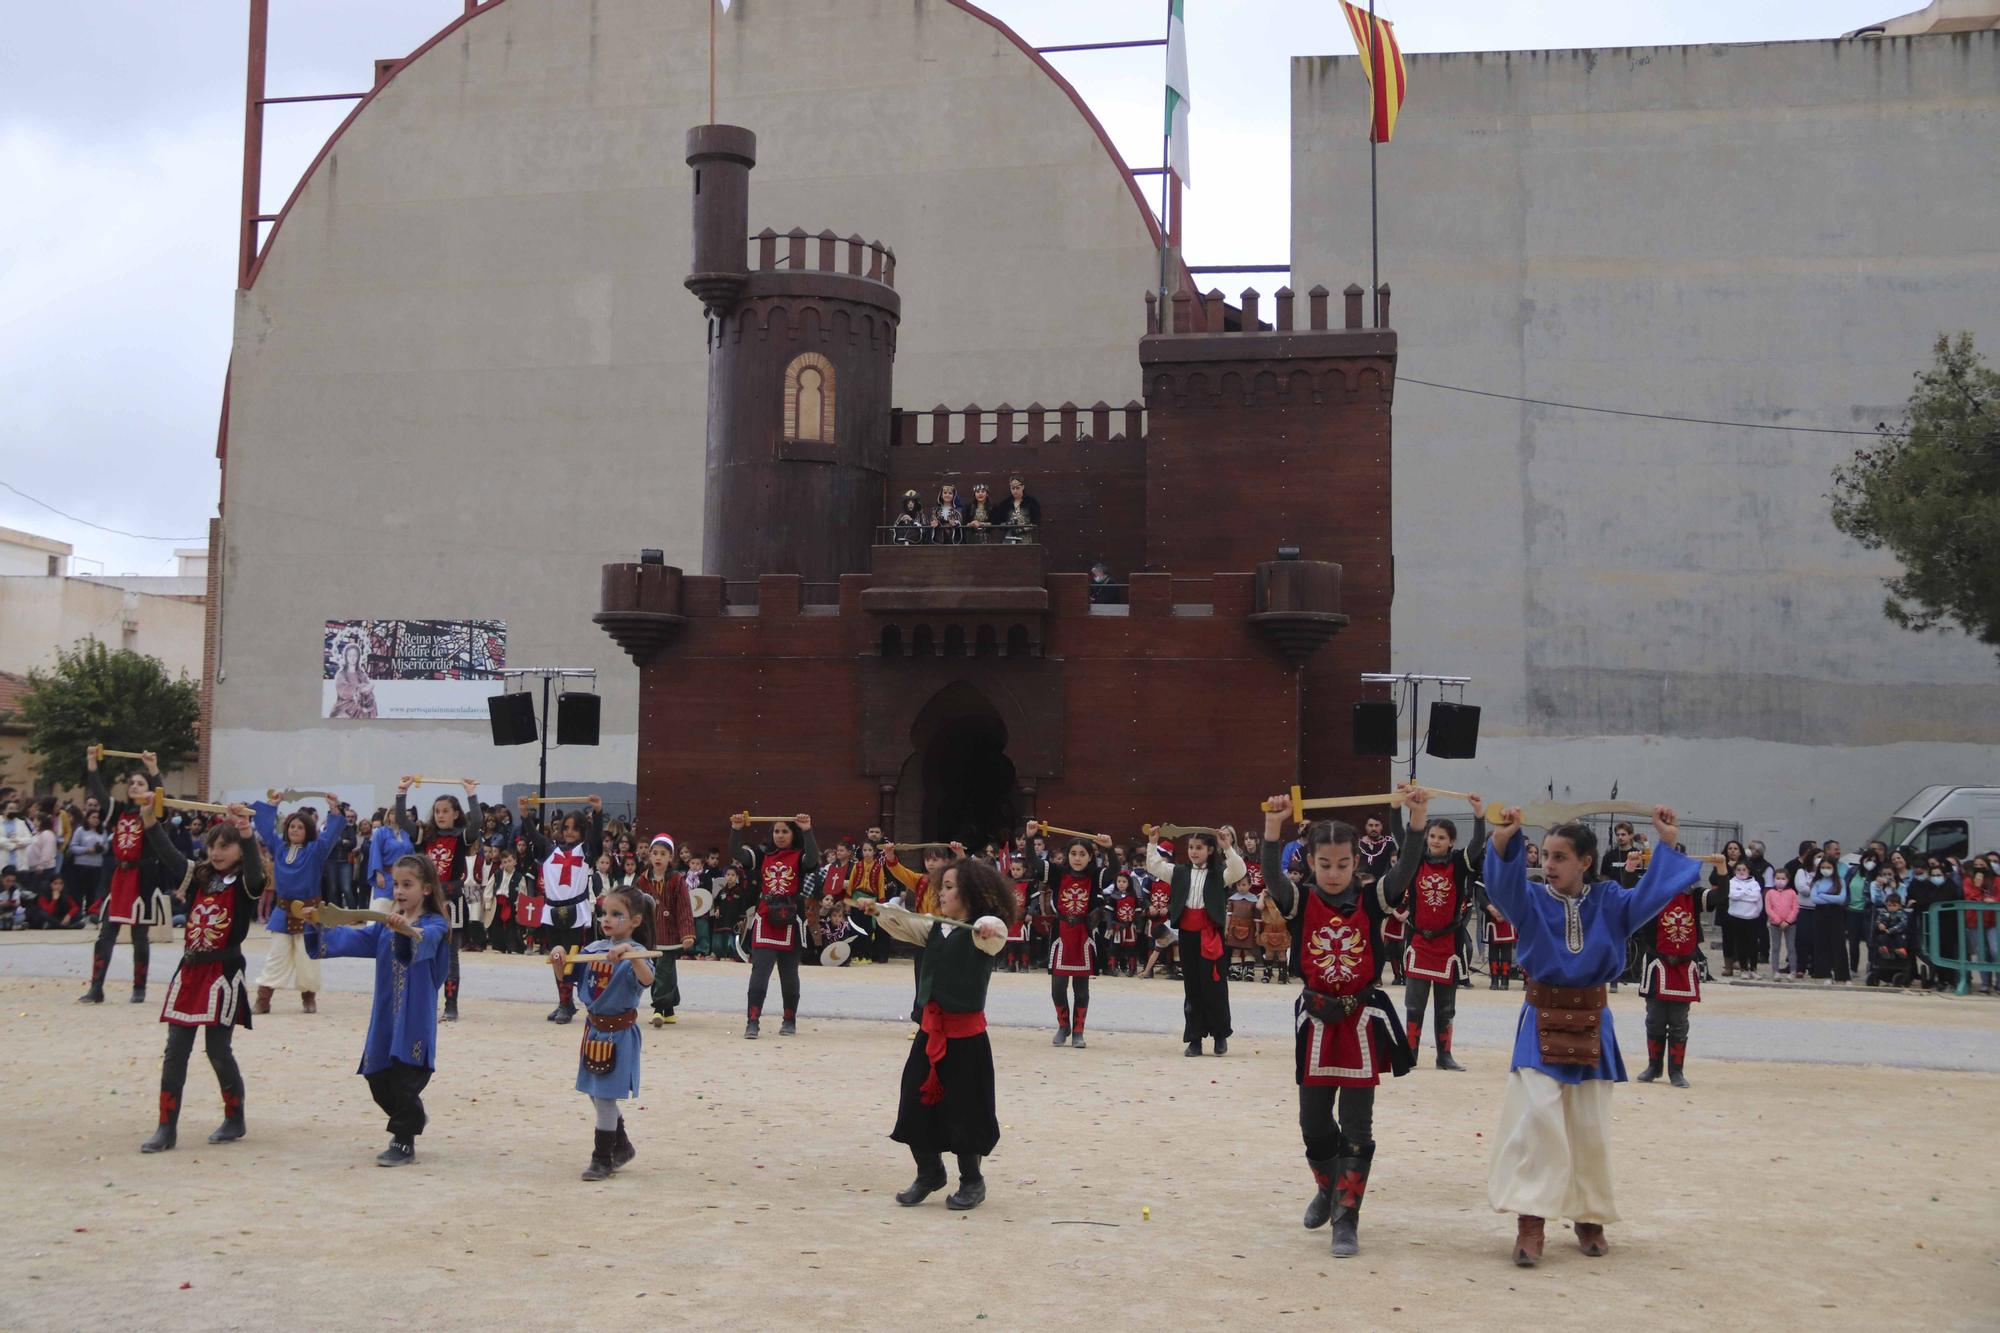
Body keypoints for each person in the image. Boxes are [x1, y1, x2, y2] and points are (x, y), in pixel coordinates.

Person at [1482, 801, 1699, 1268]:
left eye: (1560, 856)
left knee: (1588, 1124)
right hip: (1540, 1018)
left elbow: (1654, 894)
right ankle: (1532, 1219)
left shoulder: (1612, 901)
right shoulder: (1531, 899)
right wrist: (1504, 837)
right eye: (1543, 855)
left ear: (1585, 861)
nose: (1549, 864)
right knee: (1537, 1117)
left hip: (1592, 1022)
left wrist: (1666, 841)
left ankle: (1588, 1214)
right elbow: (1501, 884)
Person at [1260, 791, 1414, 1258]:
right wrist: (1273, 826)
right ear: (1309, 862)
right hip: (1316, 1021)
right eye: (1324, 864)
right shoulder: (1299, 901)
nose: (1333, 872)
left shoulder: (1372, 900)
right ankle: (1327, 1188)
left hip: (1359, 1022)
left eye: (1342, 864)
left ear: (1353, 864)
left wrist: (1418, 818)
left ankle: (1347, 1218)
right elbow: (1269, 873)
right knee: (1313, 1122)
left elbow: (1406, 867)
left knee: (1356, 1127)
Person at [858, 856, 1014, 1212]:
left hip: (967, 1040)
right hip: (929, 1034)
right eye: (940, 886)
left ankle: (972, 1182)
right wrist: (877, 910)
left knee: (965, 1110)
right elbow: (902, 923)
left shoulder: (981, 935)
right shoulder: (933, 928)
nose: (940, 893)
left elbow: (998, 934)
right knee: (913, 1101)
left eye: (947, 887)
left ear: (971, 893)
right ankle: (929, 1172)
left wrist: (988, 925)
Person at [304, 853, 452, 1166]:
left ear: (426, 888)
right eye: (396, 884)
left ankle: (403, 1139)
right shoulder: (385, 926)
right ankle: (412, 1116)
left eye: (407, 884)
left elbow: (422, 944)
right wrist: (317, 924)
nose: (399, 890)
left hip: (413, 1018)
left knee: (404, 1079)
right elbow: (352, 938)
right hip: (386, 1016)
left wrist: (405, 931)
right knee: (377, 1077)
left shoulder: (435, 924)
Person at [137, 793, 261, 1152]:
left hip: (222, 973)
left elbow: (254, 871)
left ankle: (235, 1117)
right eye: (213, 846)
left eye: (226, 846)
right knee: (175, 1050)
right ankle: (166, 1127)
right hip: (190, 972)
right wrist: (149, 820)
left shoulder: (246, 885)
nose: (217, 853)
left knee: (218, 1051)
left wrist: (247, 832)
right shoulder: (199, 878)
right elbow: (171, 856)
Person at [551, 885, 655, 1181]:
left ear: (635, 921)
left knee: (605, 1097)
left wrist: (629, 953)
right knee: (596, 1094)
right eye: (604, 914)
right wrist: (559, 958)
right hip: (593, 1030)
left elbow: (647, 979)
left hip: (619, 1034)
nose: (606, 919)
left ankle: (602, 1158)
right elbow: (566, 977)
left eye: (616, 914)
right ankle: (621, 1146)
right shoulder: (592, 950)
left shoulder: (639, 953)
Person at [1384, 801, 1487, 1071]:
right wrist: (1395, 809)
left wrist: (1479, 816)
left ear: (1452, 841)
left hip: (1447, 944)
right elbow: (1399, 834)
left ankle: (1444, 1056)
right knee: (1414, 1005)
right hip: (1419, 942)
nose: (1435, 841)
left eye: (1442, 837)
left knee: (1445, 1008)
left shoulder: (1459, 862)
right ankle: (1410, 1054)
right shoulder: (1415, 858)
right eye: (1432, 836)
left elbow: (1477, 843)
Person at [1147, 828, 1248, 1057]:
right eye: (1191, 847)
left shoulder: (1220, 874)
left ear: (1210, 850)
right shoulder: (1180, 872)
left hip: (1210, 936)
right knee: (1192, 987)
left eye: (1199, 847)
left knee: (1214, 986)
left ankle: (1220, 1036)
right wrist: (1152, 844)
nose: (1194, 852)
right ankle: (1195, 1039)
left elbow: (1239, 870)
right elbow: (1155, 867)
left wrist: (1228, 847)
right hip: (1188, 936)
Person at [78, 749, 165, 1005]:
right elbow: (100, 793)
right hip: (119, 877)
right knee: (106, 934)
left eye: (141, 784)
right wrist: (92, 763)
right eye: (132, 784)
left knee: (140, 936)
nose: (135, 787)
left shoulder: (154, 811)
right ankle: (96, 987)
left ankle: (139, 988)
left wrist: (153, 769)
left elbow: (160, 796)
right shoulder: (118, 810)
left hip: (143, 877)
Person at [250, 791, 346, 1016]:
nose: (295, 830)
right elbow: (264, 828)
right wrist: (272, 805)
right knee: (276, 955)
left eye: (300, 827)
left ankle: (308, 997)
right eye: (292, 826)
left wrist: (333, 809)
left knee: (308, 957)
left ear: (308, 831)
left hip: (309, 912)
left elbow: (331, 833)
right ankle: (263, 998)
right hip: (283, 911)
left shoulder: (315, 850)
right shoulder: (279, 848)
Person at [729, 812, 820, 1039]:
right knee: (759, 973)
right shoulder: (762, 854)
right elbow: (737, 854)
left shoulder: (800, 856)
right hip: (765, 918)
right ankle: (753, 1021)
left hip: (791, 920)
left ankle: (789, 1019)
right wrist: (736, 829)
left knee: (789, 975)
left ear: (793, 834)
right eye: (776, 831)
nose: (780, 836)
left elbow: (813, 860)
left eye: (785, 831)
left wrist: (808, 830)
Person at [397, 779, 481, 1021]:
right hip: (426, 900)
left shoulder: (461, 837)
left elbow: (477, 821)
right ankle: (421, 1000)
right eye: (437, 811)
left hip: (451, 901)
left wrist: (470, 793)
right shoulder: (425, 835)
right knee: (420, 947)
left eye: (446, 811)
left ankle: (451, 1004)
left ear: (456, 814)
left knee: (450, 953)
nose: (440, 815)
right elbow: (403, 821)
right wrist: (402, 792)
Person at [1634, 848, 1713, 1088]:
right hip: (1658, 962)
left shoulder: (1694, 895)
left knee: (1679, 1022)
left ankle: (1676, 1071)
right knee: (1655, 1019)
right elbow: (1629, 893)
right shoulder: (1653, 891)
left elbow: (1721, 898)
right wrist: (1631, 867)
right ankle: (1654, 1067)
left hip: (1683, 964)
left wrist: (1721, 869)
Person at [522, 795, 604, 1023]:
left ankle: (574, 1000)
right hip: (552, 911)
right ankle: (564, 1002)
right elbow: (534, 836)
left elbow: (596, 837)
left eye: (575, 828)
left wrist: (597, 813)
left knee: (574, 958)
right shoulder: (550, 850)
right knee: (557, 957)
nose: (569, 832)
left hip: (576, 911)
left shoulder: (585, 851)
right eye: (566, 827)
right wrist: (524, 814)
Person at [1043, 834, 1110, 1048]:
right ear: (1067, 855)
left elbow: (1115, 872)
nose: (1077, 858)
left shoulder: (1095, 876)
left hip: (1083, 933)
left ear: (1090, 857)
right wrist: (1030, 835)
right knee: (1058, 986)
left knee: (1081, 989)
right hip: (1061, 932)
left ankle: (1079, 1031)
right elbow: (1034, 862)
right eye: (1073, 853)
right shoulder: (1058, 874)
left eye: (1082, 854)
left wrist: (1108, 849)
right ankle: (1063, 1026)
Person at [636, 835, 696, 1025]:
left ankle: (658, 1008)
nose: (658, 857)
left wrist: (687, 933)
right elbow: (635, 906)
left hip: (670, 934)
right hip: (650, 934)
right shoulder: (642, 881)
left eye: (663, 853)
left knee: (663, 970)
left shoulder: (677, 880)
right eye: (655, 853)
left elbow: (684, 907)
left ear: (671, 857)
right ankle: (669, 1009)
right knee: (662, 971)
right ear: (650, 857)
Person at [1807, 853, 1852, 984]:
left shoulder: (1840, 881)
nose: (1826, 869)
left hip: (1836, 915)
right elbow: (1814, 898)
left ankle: (1842, 975)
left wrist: (1824, 895)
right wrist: (1830, 897)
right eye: (1823, 867)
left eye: (1828, 867)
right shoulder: (1817, 882)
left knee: (1838, 944)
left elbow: (1841, 899)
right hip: (1820, 914)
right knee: (1821, 943)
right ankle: (1823, 974)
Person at [367, 809, 413, 912]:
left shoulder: (406, 834)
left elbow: (412, 854)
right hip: (386, 875)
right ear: (388, 816)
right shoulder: (381, 832)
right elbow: (375, 853)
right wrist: (378, 874)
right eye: (392, 813)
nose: (395, 815)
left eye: (398, 813)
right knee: (382, 907)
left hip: (404, 876)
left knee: (401, 910)